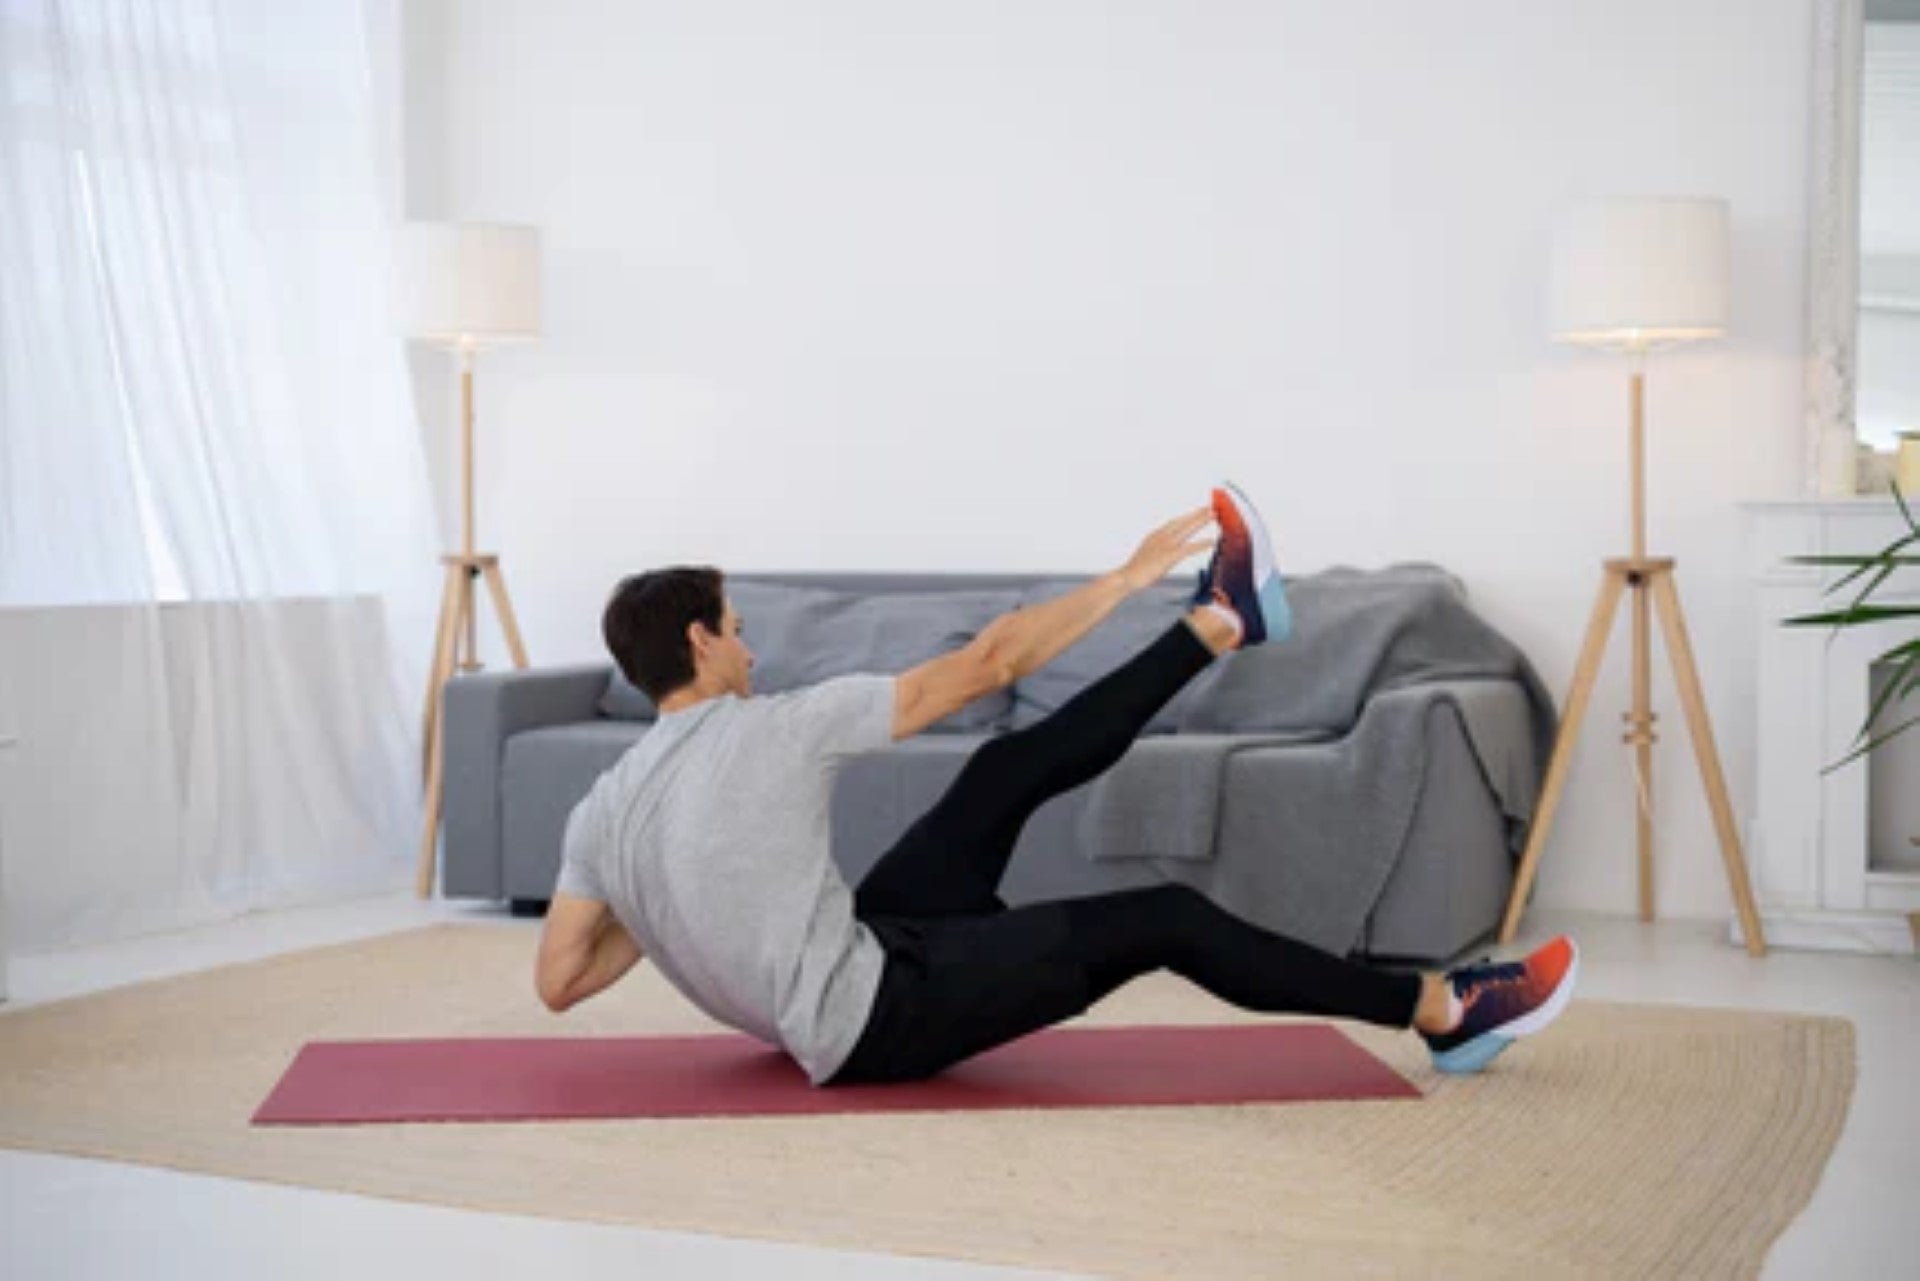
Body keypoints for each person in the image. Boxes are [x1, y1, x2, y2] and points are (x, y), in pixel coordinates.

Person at [535, 483, 1579, 1085]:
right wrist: (1126, 579)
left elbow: (560, 979)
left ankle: (1223, 622)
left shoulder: (606, 806)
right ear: (699, 641)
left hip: (857, 949)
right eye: (742, 631)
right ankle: (1443, 1008)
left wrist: (656, 888)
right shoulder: (774, 730)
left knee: (1001, 771)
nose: (753, 653)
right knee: (1162, 918)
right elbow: (991, 664)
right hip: (875, 1017)